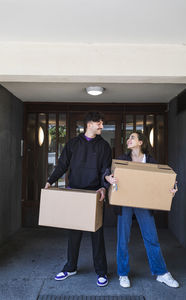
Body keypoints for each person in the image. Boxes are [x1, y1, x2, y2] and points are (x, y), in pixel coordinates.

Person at [104, 131, 179, 288]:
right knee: (123, 240)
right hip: (124, 202)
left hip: (143, 203)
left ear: (141, 142)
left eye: (133, 137)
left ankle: (161, 273)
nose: (129, 140)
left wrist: (172, 188)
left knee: (151, 238)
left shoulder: (151, 161)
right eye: (129, 138)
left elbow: (165, 180)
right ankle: (123, 274)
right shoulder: (123, 159)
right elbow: (108, 171)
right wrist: (108, 178)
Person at [45, 112, 112, 287]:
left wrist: (103, 188)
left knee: (97, 235)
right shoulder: (73, 144)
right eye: (99, 123)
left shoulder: (104, 146)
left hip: (94, 195)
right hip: (75, 193)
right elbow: (62, 165)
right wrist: (49, 181)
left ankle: (101, 272)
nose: (101, 126)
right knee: (73, 235)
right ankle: (70, 267)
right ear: (89, 124)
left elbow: (106, 170)